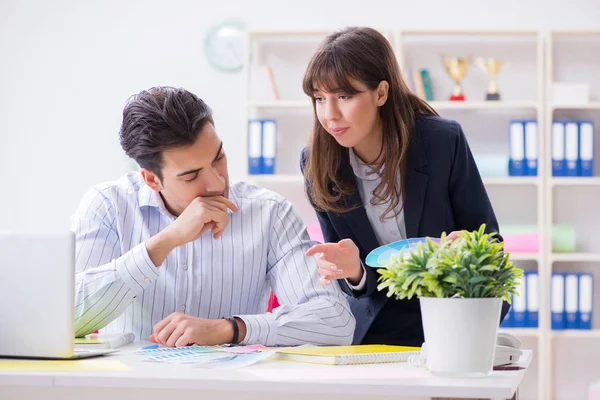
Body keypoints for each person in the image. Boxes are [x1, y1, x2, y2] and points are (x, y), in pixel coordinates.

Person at [72, 86, 355, 347]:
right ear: (152, 180)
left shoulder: (270, 213)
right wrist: (164, 242)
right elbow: (67, 318)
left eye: (218, 158)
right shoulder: (108, 205)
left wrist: (231, 329)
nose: (217, 183)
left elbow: (336, 321)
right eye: (192, 175)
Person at [299, 27, 509, 347]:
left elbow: (490, 243)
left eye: (344, 96)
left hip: (451, 314)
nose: (330, 115)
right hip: (376, 327)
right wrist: (354, 270)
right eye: (319, 99)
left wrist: (465, 249)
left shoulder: (442, 141)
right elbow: (349, 279)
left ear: (381, 93)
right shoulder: (316, 163)